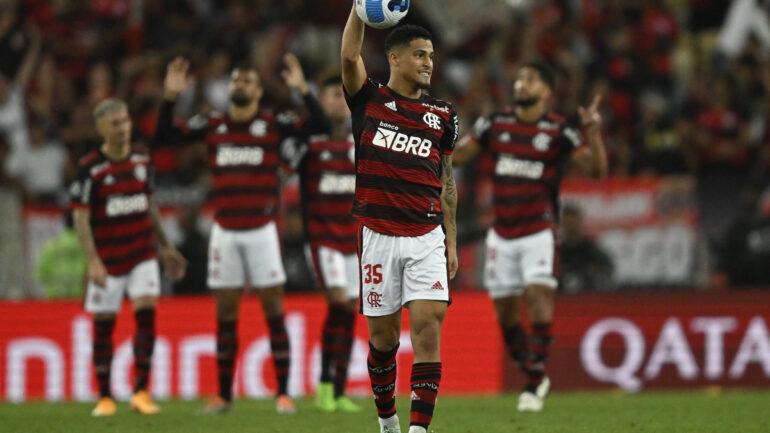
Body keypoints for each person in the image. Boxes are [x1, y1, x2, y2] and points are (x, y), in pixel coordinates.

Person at [156, 54, 327, 414]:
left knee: (273, 309)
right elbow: (165, 136)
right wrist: (170, 98)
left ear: (259, 91)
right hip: (226, 231)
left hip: (261, 231)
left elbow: (319, 126)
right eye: (235, 80)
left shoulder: (273, 122)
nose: (239, 85)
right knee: (226, 313)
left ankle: (283, 392)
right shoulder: (214, 123)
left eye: (246, 81)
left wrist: (303, 91)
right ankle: (223, 395)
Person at [453, 62, 607, 412]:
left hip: (539, 230)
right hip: (502, 234)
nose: (522, 84)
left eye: (532, 79)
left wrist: (594, 136)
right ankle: (536, 372)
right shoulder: (495, 123)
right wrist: (431, 145)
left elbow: (596, 171)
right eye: (520, 78)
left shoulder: (559, 130)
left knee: (538, 302)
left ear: (547, 91)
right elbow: (459, 154)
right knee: (507, 317)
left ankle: (533, 383)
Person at [341, 10, 459, 433]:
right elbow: (350, 56)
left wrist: (452, 241)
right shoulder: (368, 100)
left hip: (427, 234)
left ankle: (418, 430)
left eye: (431, 55)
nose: (428, 62)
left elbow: (446, 180)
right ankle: (388, 420)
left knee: (428, 327)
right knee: (384, 342)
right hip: (378, 234)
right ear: (394, 58)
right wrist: (358, 10)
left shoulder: (444, 115)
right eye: (419, 55)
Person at [70, 98, 186, 417]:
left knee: (146, 314)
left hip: (141, 252)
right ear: (101, 128)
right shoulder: (90, 167)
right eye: (116, 123)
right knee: (104, 325)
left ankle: (141, 392)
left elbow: (150, 206)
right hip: (108, 258)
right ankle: (106, 396)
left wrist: (165, 246)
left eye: (126, 121)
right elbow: (80, 218)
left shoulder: (142, 160)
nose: (124, 128)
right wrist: (92, 261)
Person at [293, 76, 361, 413]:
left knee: (349, 311)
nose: (339, 101)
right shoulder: (309, 143)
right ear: (320, 100)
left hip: (354, 241)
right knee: (337, 301)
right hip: (322, 239)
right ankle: (322, 380)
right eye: (332, 95)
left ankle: (338, 389)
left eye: (342, 95)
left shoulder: (360, 143)